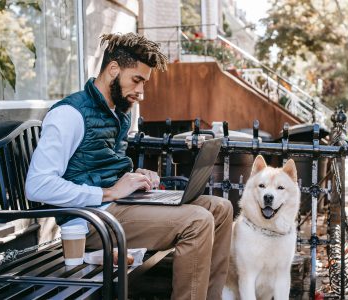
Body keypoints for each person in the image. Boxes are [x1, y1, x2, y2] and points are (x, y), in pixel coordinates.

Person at [25, 33, 233, 300]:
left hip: (118, 208)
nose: (141, 93)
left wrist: (134, 178)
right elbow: (37, 185)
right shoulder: (69, 114)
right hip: (91, 223)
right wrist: (108, 193)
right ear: (113, 69)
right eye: (137, 80)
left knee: (221, 209)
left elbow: (101, 168)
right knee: (198, 221)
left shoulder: (116, 114)